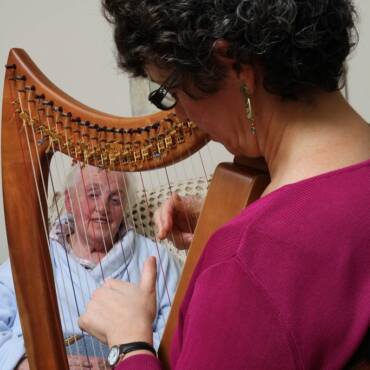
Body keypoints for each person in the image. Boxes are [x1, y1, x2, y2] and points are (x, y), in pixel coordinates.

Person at [79, 0, 370, 369]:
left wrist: (129, 343)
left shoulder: (248, 263)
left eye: (170, 90)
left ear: (232, 67)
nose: (180, 114)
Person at [0, 164, 180, 370]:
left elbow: (176, 336)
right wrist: (27, 363)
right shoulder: (32, 258)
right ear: (69, 201)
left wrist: (123, 355)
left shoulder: (157, 258)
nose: (102, 208)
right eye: (93, 194)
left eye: (115, 199)